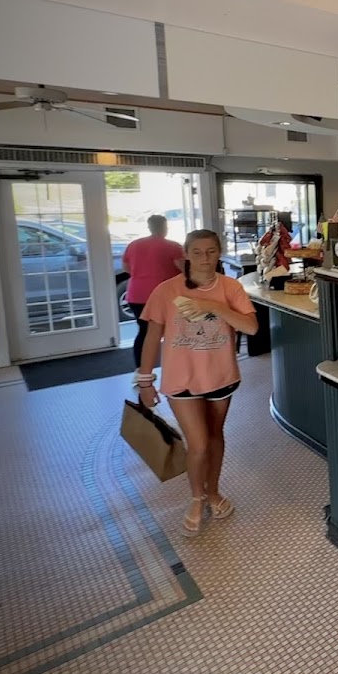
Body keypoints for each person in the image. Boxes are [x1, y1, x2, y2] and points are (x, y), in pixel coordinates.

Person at [135, 230, 258, 537]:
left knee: (215, 436)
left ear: (219, 253)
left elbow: (251, 327)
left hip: (220, 376)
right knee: (199, 443)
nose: (205, 258)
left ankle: (213, 492)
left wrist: (214, 306)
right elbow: (152, 336)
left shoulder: (230, 287)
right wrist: (145, 380)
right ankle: (197, 498)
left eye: (211, 251)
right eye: (198, 252)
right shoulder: (166, 290)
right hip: (181, 379)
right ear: (186, 255)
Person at [121, 215, 184, 369]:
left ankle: (141, 370)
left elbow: (126, 268)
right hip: (165, 295)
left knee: (144, 331)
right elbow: (184, 269)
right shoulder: (172, 246)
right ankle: (175, 366)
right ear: (164, 227)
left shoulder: (133, 245)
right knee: (174, 330)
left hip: (137, 295)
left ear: (149, 227)